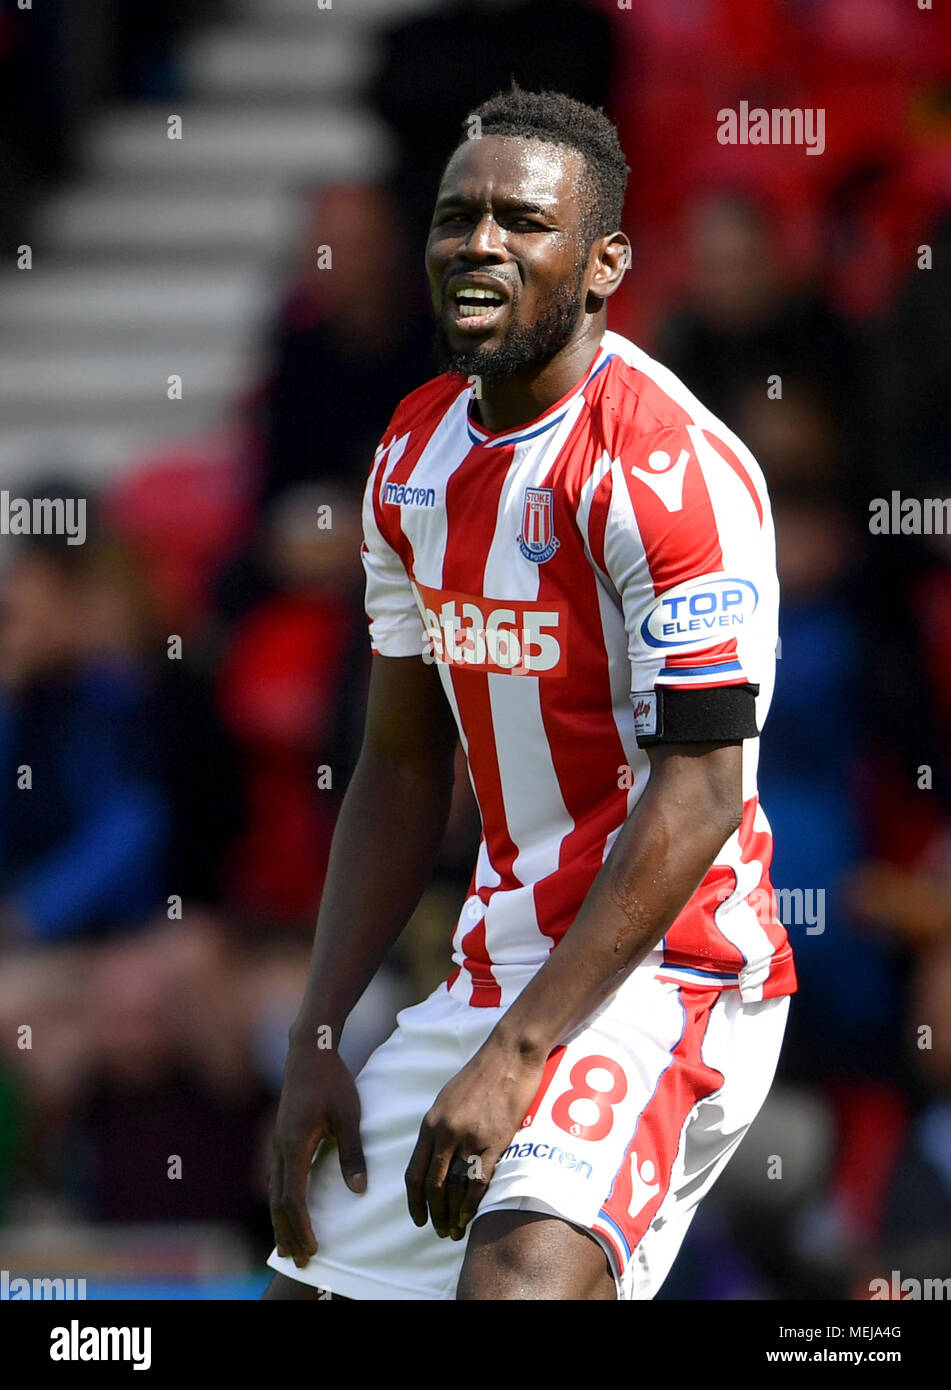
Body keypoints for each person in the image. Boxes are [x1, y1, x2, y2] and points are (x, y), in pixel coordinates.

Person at [263, 87, 796, 1302]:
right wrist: (321, 1029)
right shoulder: (411, 457)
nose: (480, 243)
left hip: (671, 969)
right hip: (496, 969)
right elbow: (401, 762)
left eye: (522, 220)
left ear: (604, 261)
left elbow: (703, 789)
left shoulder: (671, 471)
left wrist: (519, 1055)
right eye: (458, 217)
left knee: (518, 1286)